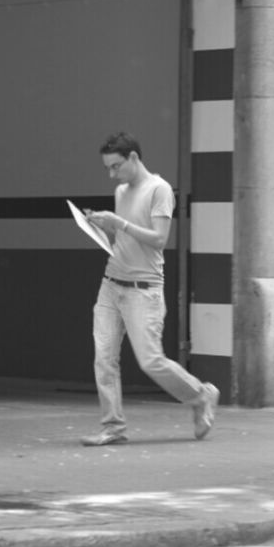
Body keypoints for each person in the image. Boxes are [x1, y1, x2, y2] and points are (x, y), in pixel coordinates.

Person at [79, 132, 219, 446]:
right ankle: (113, 427)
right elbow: (125, 238)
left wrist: (120, 223)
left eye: (116, 166)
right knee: (104, 358)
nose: (112, 174)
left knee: (150, 360)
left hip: (144, 289)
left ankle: (201, 395)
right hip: (111, 284)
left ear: (133, 158)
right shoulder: (120, 191)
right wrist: (104, 227)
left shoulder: (160, 189)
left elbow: (159, 239)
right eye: (108, 169)